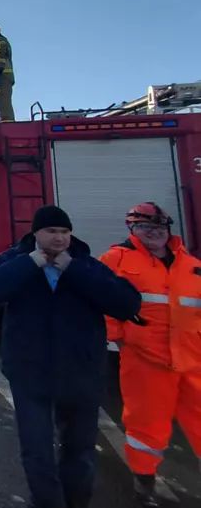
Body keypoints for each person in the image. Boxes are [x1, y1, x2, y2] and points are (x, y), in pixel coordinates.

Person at [0, 205, 141, 508]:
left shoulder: (85, 264)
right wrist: (31, 263)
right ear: (36, 233)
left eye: (65, 232)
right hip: (31, 376)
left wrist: (73, 269)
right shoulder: (17, 261)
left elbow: (126, 303)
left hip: (80, 375)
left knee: (80, 452)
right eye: (52, 231)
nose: (60, 238)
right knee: (37, 451)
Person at [99, 203, 201, 507]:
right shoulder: (116, 259)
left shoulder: (191, 265)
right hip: (145, 360)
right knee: (146, 426)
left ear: (168, 230)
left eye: (159, 228)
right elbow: (101, 298)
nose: (154, 233)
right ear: (132, 229)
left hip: (193, 359)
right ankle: (143, 484)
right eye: (145, 228)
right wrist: (117, 337)